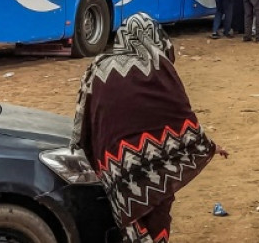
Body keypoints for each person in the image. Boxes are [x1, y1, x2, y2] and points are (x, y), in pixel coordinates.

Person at [71, 13, 229, 243]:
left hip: (114, 163)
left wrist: (91, 151)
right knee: (156, 212)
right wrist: (207, 146)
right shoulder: (158, 66)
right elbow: (179, 115)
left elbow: (84, 116)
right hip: (154, 166)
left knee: (128, 218)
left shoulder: (97, 68)